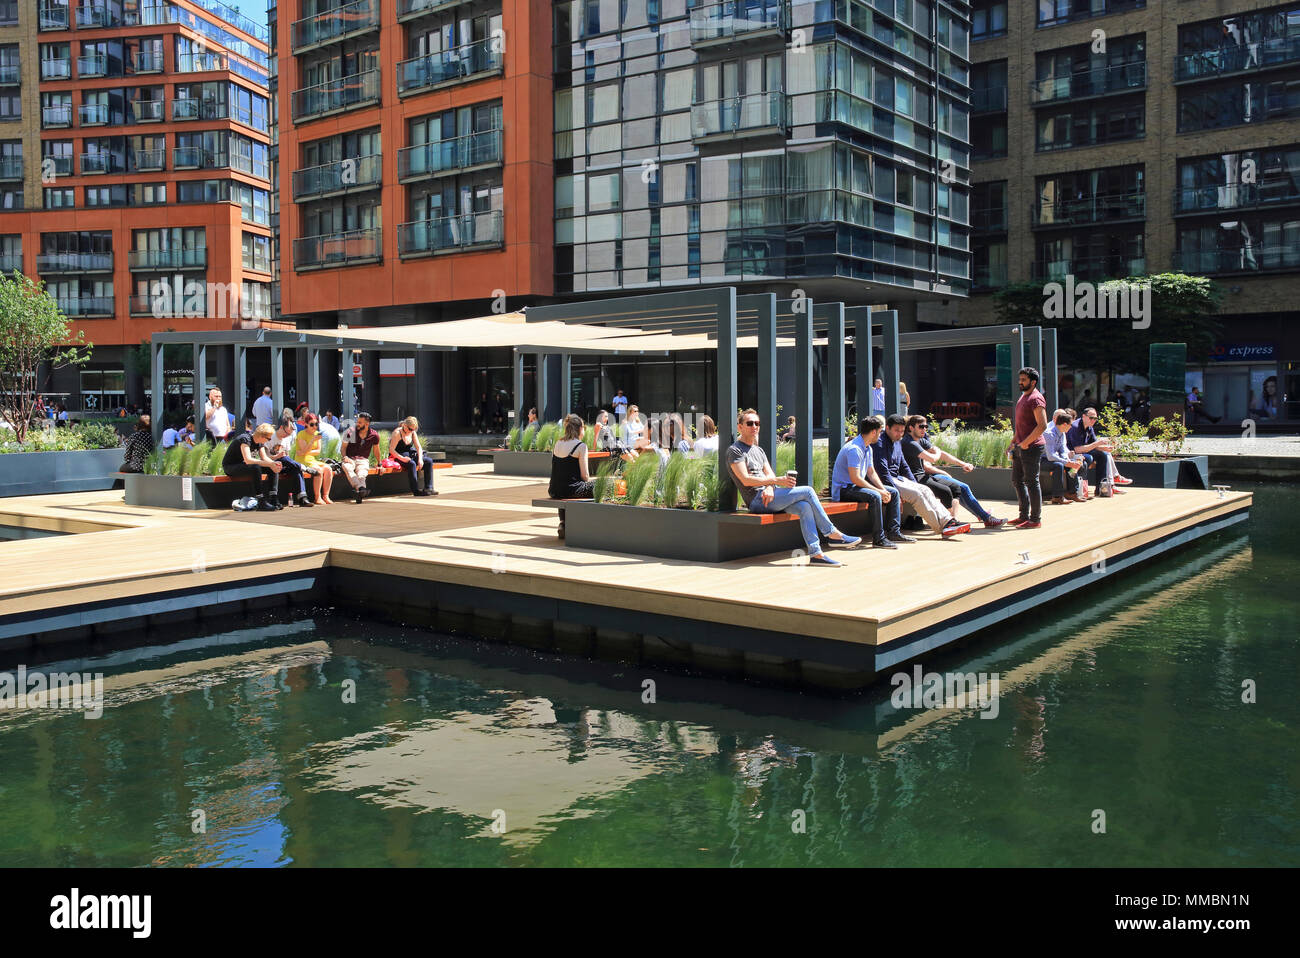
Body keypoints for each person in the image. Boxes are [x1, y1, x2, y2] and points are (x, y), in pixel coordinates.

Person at [727, 409, 861, 567]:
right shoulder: (735, 450)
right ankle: (832, 533)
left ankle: (816, 554)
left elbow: (769, 474)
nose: (754, 426)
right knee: (808, 491)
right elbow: (746, 479)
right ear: (739, 427)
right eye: (749, 423)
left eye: (757, 423)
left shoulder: (759, 450)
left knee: (804, 507)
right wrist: (776, 481)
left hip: (771, 495)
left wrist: (770, 486)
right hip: (757, 501)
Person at [874, 414, 970, 537]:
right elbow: (882, 472)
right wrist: (896, 493)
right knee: (917, 495)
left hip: (897, 478)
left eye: (902, 431)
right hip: (885, 481)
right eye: (896, 430)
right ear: (887, 428)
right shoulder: (879, 444)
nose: (899, 434)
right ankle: (942, 527)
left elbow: (904, 466)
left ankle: (949, 521)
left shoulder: (898, 442)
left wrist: (914, 483)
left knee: (925, 489)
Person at [901, 415, 1005, 528]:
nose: (924, 429)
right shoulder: (909, 442)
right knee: (946, 491)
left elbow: (942, 455)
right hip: (918, 477)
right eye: (921, 426)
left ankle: (958, 520)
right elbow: (932, 460)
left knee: (958, 487)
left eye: (926, 426)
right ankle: (951, 522)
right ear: (911, 427)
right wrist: (940, 463)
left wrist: (962, 464)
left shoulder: (921, 439)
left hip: (926, 475)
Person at [830, 416, 900, 549]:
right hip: (844, 489)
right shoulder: (854, 449)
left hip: (855, 487)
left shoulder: (868, 448)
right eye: (880, 432)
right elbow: (855, 478)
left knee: (893, 492)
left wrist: (883, 489)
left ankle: (894, 532)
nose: (880, 435)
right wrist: (879, 491)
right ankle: (879, 539)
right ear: (873, 432)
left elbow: (871, 473)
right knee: (875, 496)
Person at [1011, 366, 1049, 528]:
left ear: (1033, 382)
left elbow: (1042, 425)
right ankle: (1023, 516)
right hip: (1021, 446)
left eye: (1024, 380)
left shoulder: (1036, 399)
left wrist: (1026, 443)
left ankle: (1035, 519)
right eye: (1020, 379)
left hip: (1031, 447)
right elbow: (1021, 425)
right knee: (1017, 480)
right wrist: (1013, 442)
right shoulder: (1023, 397)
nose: (1020, 382)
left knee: (1031, 482)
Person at [549, 413, 595, 539]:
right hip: (572, 490)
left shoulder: (558, 443)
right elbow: (585, 476)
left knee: (564, 489)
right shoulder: (581, 446)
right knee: (600, 485)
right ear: (580, 429)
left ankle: (563, 523)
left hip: (554, 490)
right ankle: (587, 524)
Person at [1067, 407, 1132, 491]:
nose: (1093, 420)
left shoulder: (1089, 427)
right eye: (1091, 418)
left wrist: (1104, 448)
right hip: (1072, 454)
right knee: (1090, 457)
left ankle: (1102, 487)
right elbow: (1078, 449)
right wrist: (1098, 444)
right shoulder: (1075, 427)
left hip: (1083, 452)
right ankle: (1112, 481)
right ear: (1083, 416)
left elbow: (1093, 445)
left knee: (1104, 454)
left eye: (1095, 418)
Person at [221, 423, 281, 511]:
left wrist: (274, 464)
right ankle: (261, 501)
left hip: (243, 466)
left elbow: (264, 458)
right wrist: (270, 464)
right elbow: (248, 460)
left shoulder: (259, 443)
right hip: (231, 466)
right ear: (261, 436)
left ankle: (274, 498)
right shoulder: (245, 439)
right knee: (256, 467)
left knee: (271, 467)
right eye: (268, 438)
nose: (269, 441)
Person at [269, 414, 313, 507]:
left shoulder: (286, 439)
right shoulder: (270, 437)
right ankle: (303, 467)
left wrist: (284, 458)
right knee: (282, 459)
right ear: (281, 427)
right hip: (271, 465)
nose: (287, 436)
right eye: (286, 433)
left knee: (295, 468)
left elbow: (287, 456)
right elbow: (264, 457)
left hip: (283, 464)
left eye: (289, 434)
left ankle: (303, 498)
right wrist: (277, 456)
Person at [1043, 409, 1086, 504]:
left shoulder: (1062, 433)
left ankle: (1072, 493)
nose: (1071, 427)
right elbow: (1050, 456)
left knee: (1072, 464)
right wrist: (1066, 462)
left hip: (1053, 458)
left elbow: (1062, 451)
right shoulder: (1049, 434)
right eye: (1071, 425)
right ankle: (1057, 497)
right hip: (1042, 460)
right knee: (1059, 465)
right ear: (1064, 425)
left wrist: (1070, 461)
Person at [294, 413, 336, 505]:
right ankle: (317, 497)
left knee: (328, 469)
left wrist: (304, 452)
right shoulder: (301, 434)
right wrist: (312, 440)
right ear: (306, 424)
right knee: (319, 470)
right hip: (302, 460)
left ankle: (326, 495)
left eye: (316, 424)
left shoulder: (317, 434)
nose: (314, 427)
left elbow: (317, 451)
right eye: (312, 424)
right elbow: (304, 450)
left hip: (311, 459)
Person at [340, 411, 380, 503]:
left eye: (360, 422)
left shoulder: (374, 435)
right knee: (348, 468)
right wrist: (345, 457)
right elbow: (343, 448)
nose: (357, 424)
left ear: (367, 424)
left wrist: (379, 463)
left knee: (362, 474)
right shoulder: (350, 432)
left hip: (363, 460)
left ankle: (359, 492)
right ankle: (362, 489)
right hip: (350, 459)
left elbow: (376, 450)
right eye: (357, 421)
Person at [390, 416, 433, 496]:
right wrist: (402, 458)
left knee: (428, 461)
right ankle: (415, 490)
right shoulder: (397, 433)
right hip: (398, 455)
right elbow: (391, 450)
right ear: (405, 425)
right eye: (410, 429)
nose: (411, 431)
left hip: (409, 453)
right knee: (411, 464)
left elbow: (419, 447)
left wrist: (420, 459)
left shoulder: (412, 432)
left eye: (414, 429)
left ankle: (428, 487)